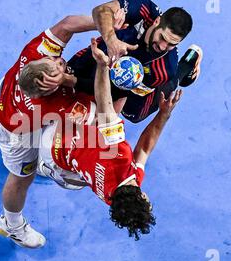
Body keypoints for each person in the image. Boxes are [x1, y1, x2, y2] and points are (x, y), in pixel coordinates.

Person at [0, 12, 126, 249]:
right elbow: (105, 115)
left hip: (3, 99)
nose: (61, 63)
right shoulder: (57, 105)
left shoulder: (34, 54)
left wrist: (107, 28)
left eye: (55, 61)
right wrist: (122, 86)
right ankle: (11, 225)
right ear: (49, 90)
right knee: (22, 178)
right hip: (17, 135)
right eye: (57, 70)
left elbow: (67, 24)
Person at [38, 38, 183, 240]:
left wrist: (103, 67)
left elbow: (105, 104)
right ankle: (44, 168)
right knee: (75, 180)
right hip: (61, 161)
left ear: (142, 195)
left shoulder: (119, 157)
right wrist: (163, 116)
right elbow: (143, 150)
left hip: (54, 135)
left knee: (102, 108)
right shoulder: (112, 198)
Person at [65, 0, 199, 120]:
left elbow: (114, 93)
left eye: (171, 44)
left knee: (133, 114)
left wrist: (71, 81)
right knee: (74, 71)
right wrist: (111, 39)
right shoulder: (144, 9)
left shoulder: (164, 69)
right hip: (110, 52)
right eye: (162, 38)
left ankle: (187, 65)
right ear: (156, 21)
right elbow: (101, 10)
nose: (163, 46)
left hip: (137, 85)